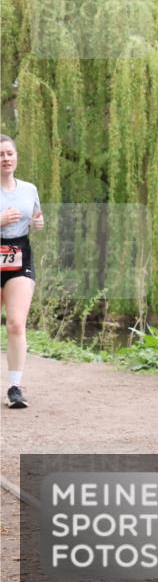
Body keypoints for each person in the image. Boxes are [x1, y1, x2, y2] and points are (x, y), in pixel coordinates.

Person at [1, 134, 44, 409]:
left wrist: (39, 222)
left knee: (16, 323)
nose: (5, 158)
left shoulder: (29, 189)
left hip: (19, 255)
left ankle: (15, 387)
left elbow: (36, 215)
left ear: (16, 157)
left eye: (9, 153)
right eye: (0, 154)